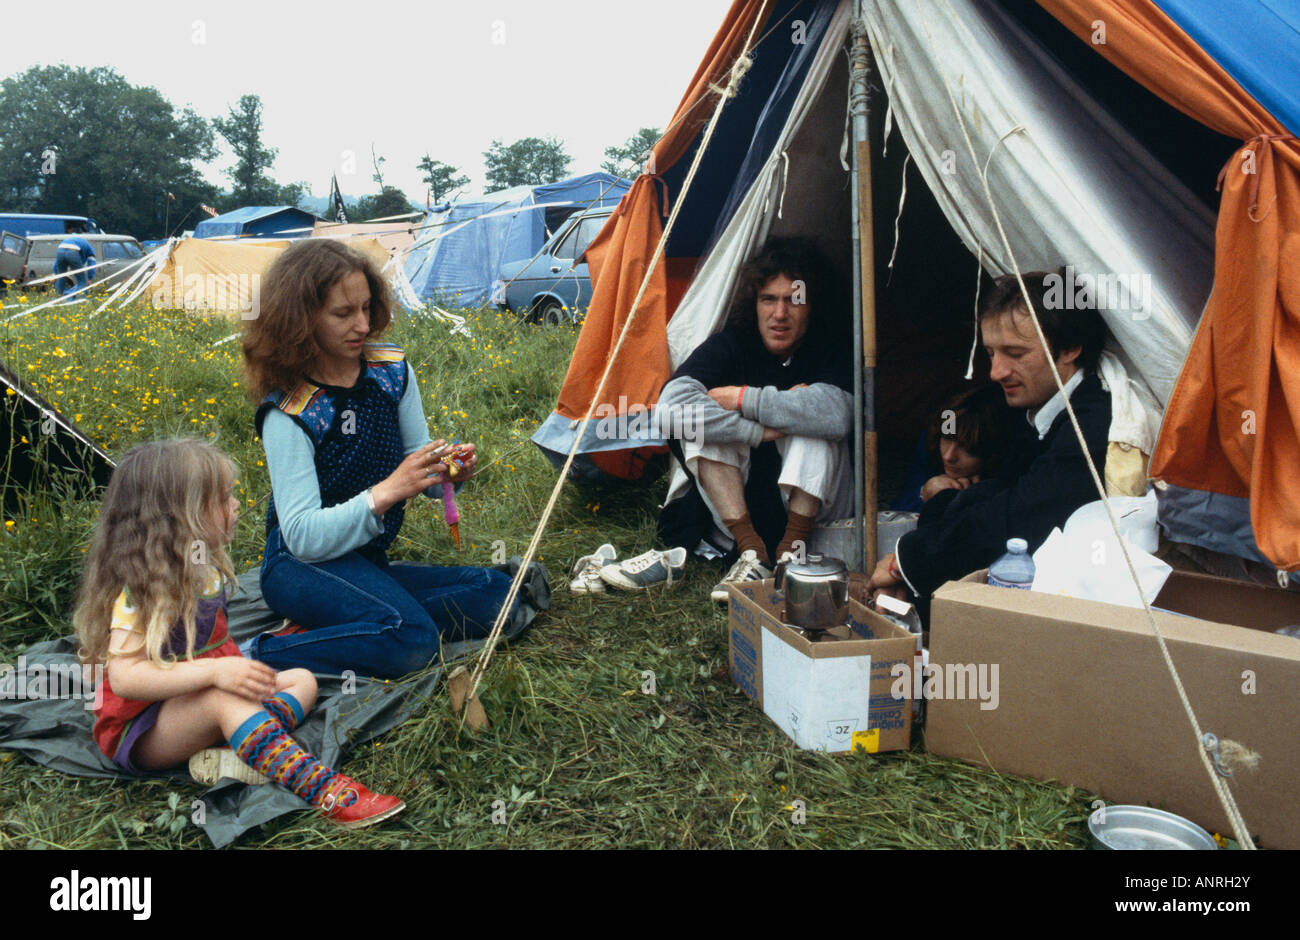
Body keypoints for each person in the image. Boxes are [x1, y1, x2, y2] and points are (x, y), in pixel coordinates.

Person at [74, 439, 404, 829]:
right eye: (224, 498)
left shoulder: (205, 570)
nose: (235, 505)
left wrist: (232, 674)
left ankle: (246, 744)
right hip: (143, 728)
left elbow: (213, 647)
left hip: (198, 700)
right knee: (222, 699)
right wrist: (218, 674)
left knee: (301, 679)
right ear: (184, 516)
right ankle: (320, 787)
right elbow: (125, 678)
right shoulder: (142, 591)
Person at [241, 239, 518, 679]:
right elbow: (302, 537)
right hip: (298, 566)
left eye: (367, 308)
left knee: (498, 593)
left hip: (363, 559)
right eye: (343, 313)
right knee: (413, 641)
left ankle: (362, 622)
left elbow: (418, 463)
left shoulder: (391, 372)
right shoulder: (290, 410)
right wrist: (390, 490)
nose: (362, 325)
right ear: (300, 319)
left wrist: (449, 473)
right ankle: (254, 657)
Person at [868, 270, 1112, 618]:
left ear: (1071, 348)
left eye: (1015, 353)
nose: (996, 372)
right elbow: (992, 496)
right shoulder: (1034, 410)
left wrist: (907, 560)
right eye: (991, 353)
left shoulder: (1093, 422)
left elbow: (1019, 516)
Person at [656, 237, 854, 601]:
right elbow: (669, 411)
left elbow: (838, 414)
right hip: (739, 512)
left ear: (811, 306)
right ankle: (751, 555)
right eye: (769, 299)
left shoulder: (829, 346)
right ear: (755, 303)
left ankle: (792, 554)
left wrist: (741, 397)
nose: (780, 313)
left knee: (816, 427)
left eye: (793, 300)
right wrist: (756, 430)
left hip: (816, 515)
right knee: (699, 428)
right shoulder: (732, 344)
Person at [894, 384, 1010, 511]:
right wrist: (923, 493)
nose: (948, 456)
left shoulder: (1011, 474)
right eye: (947, 439)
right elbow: (898, 511)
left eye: (968, 449)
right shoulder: (930, 443)